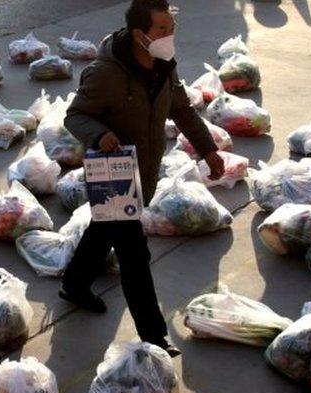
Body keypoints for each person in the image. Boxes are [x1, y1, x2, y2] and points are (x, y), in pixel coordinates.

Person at [61, 0, 224, 357]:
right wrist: (99, 133)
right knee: (134, 254)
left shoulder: (164, 65)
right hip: (114, 175)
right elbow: (75, 116)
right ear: (139, 35)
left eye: (172, 28)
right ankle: (154, 336)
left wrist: (208, 150)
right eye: (162, 30)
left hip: (145, 171)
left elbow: (181, 109)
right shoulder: (106, 73)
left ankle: (74, 284)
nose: (170, 36)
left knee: (104, 230)